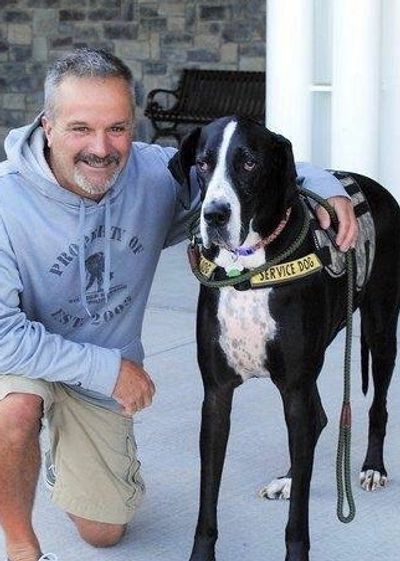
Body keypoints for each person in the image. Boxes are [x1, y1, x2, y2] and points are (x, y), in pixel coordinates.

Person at [0, 48, 358, 561]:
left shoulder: (154, 176)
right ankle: (20, 548)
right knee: (15, 410)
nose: (101, 148)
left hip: (95, 375)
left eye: (118, 128)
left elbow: (265, 167)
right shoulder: (5, 200)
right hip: (25, 357)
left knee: (104, 531)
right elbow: (1, 336)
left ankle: (60, 445)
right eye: (81, 128)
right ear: (48, 125)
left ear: (134, 126)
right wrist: (109, 371)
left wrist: (329, 189)